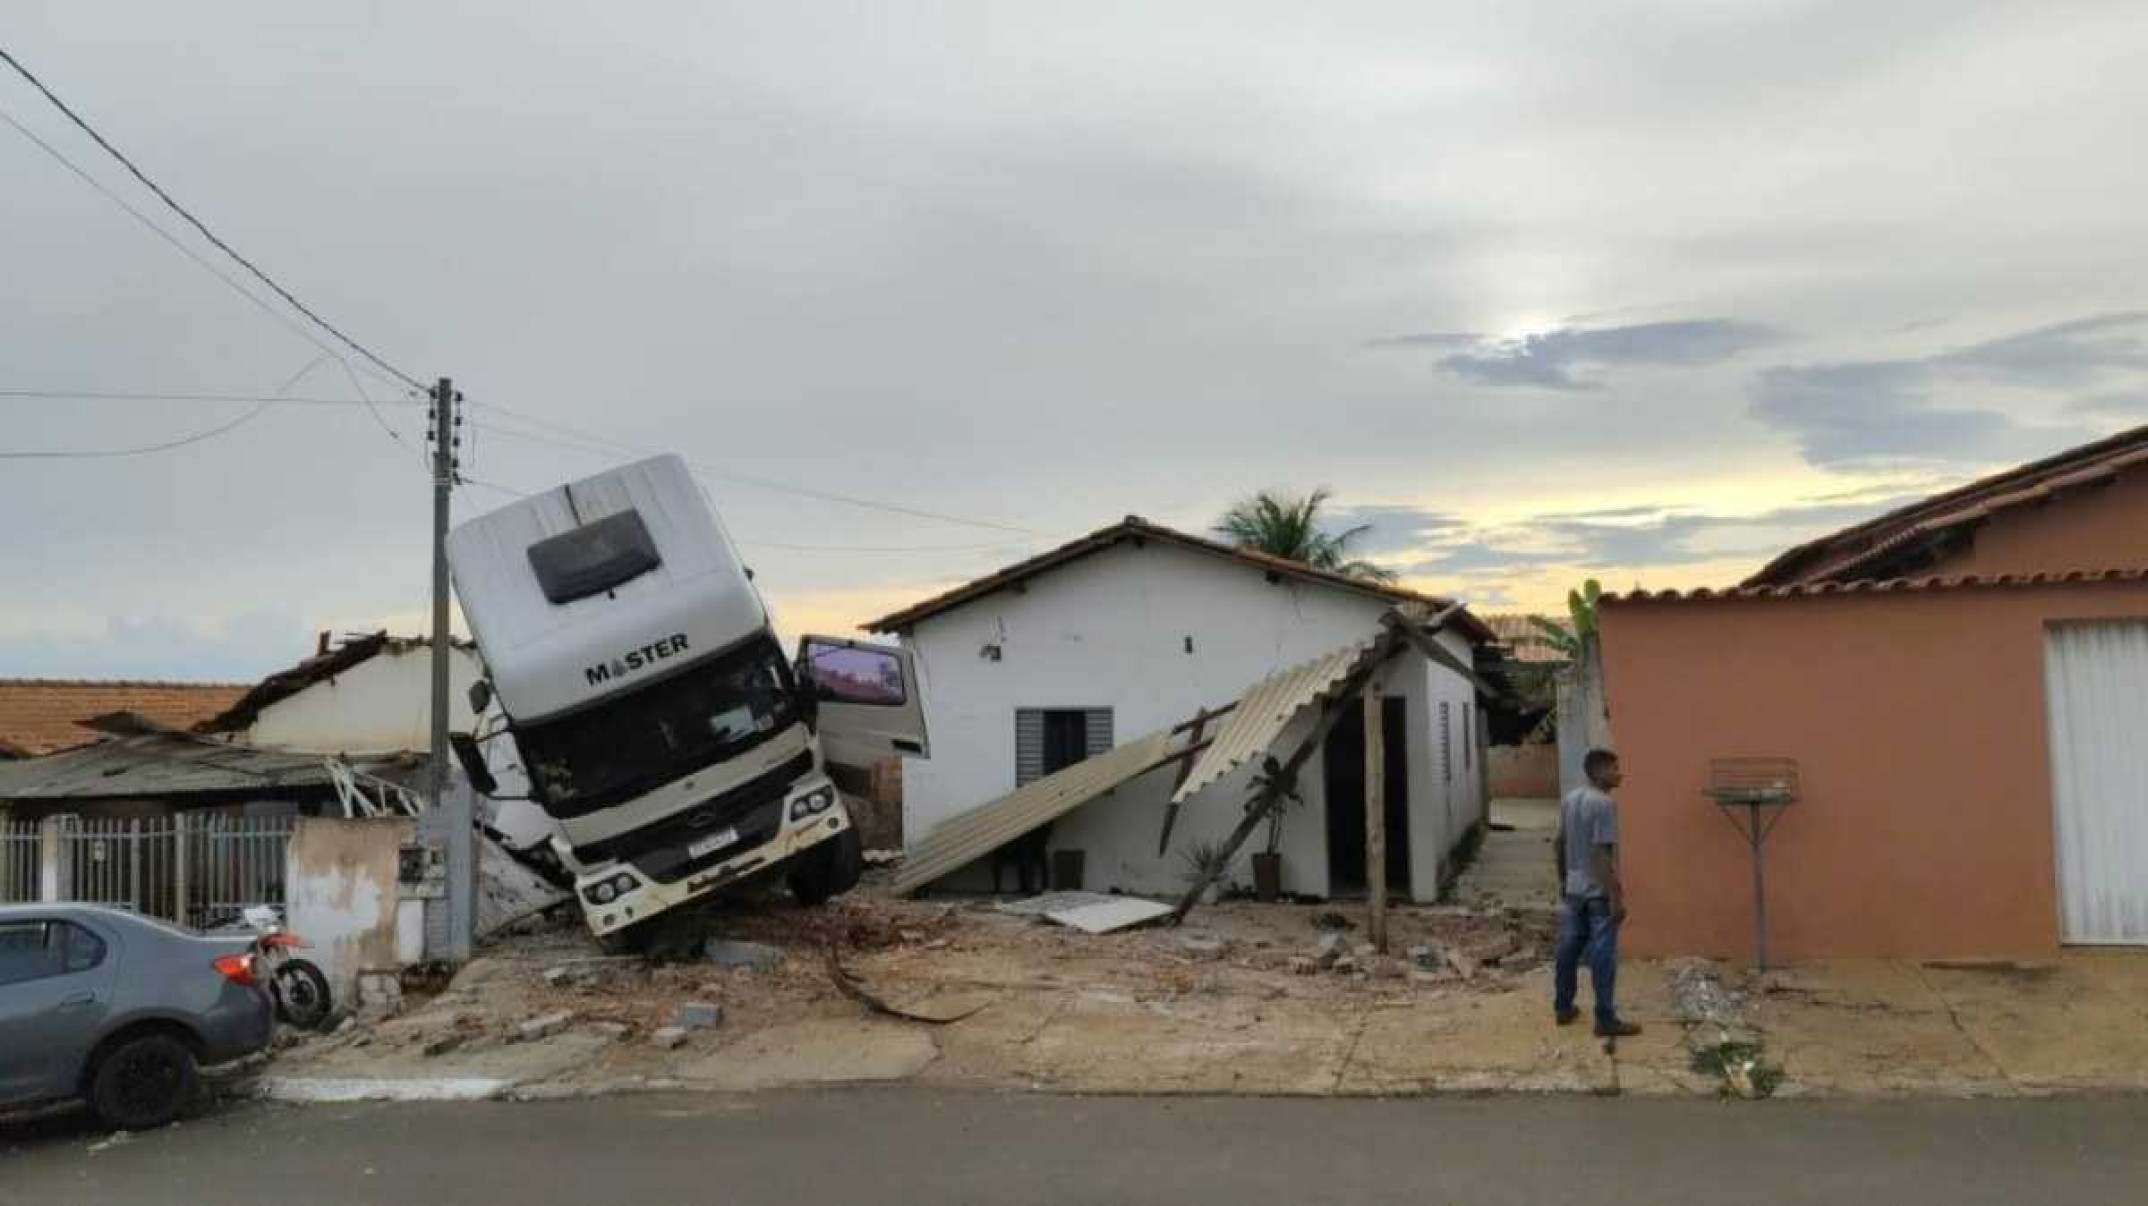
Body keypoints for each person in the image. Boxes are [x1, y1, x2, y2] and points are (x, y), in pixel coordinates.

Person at [1553, 748, 1640, 1037]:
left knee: (1569, 946)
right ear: (1599, 771)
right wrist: (1615, 896)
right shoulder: (1603, 805)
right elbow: (1601, 854)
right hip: (1597, 890)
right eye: (1614, 768)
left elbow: (1559, 843)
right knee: (1603, 953)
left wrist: (1563, 880)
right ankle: (1605, 1017)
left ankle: (1563, 1006)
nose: (1620, 773)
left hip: (1575, 886)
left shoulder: (1571, 799)